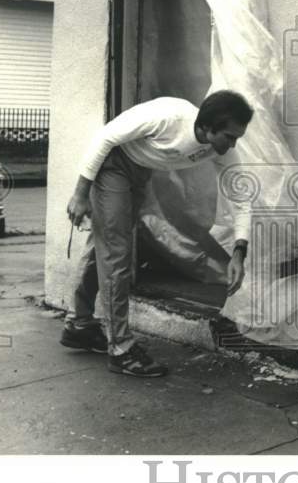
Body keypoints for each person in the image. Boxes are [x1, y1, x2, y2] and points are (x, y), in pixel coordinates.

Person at [61, 90, 254, 377]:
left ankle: (80, 324)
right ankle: (121, 349)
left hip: (140, 171)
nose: (233, 143)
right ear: (207, 126)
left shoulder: (221, 147)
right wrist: (80, 193)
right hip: (113, 164)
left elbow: (242, 196)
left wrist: (239, 251)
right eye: (229, 136)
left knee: (107, 244)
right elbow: (105, 137)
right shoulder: (169, 116)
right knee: (117, 253)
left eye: (237, 137)